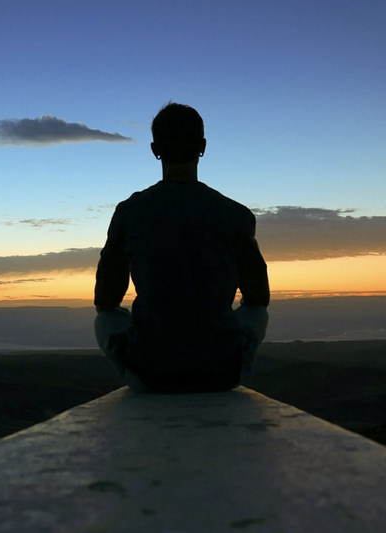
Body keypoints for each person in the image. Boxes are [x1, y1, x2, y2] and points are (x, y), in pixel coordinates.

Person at [94, 102, 269, 393]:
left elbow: (105, 300)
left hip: (150, 374)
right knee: (255, 312)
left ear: (155, 150)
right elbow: (258, 297)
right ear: (202, 146)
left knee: (107, 319)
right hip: (222, 372)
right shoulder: (236, 215)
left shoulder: (129, 212)